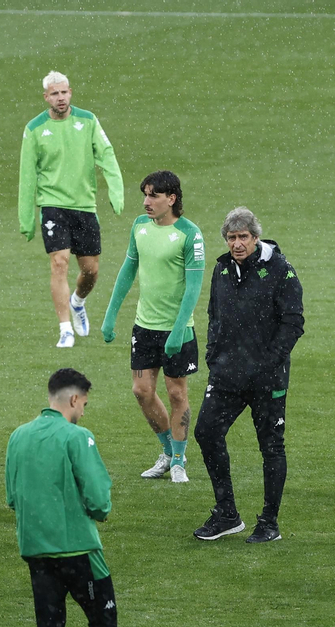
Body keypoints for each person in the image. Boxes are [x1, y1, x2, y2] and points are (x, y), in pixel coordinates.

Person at [5, 368, 117, 627]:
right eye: (83, 404)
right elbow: (99, 498)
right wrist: (97, 512)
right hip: (79, 551)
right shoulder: (77, 436)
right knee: (104, 622)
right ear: (73, 399)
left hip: (36, 552)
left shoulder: (18, 437)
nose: (83, 412)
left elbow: (11, 496)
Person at [192, 207, 303, 543]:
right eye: (231, 238)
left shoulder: (281, 271)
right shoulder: (222, 269)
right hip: (227, 375)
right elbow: (214, 313)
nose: (236, 244)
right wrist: (213, 354)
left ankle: (269, 522)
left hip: (267, 380)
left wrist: (269, 362)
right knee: (206, 433)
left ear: (256, 237)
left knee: (271, 446)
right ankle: (227, 513)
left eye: (242, 237)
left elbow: (293, 323)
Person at [101, 171, 206, 483]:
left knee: (176, 394)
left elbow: (194, 286)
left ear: (171, 199)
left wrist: (177, 330)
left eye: (153, 196)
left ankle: (178, 461)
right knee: (141, 390)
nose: (146, 202)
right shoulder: (139, 226)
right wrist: (110, 314)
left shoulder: (190, 234)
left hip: (177, 330)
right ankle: (168, 451)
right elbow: (128, 268)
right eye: (144, 195)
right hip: (144, 327)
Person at [18, 71, 124, 348]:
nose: (60, 98)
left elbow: (107, 154)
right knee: (59, 262)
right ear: (46, 97)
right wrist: (26, 217)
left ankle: (78, 302)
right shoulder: (35, 129)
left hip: (84, 206)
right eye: (54, 94)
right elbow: (27, 175)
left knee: (91, 271)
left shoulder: (87, 120)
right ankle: (65, 329)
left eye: (64, 92)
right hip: (53, 205)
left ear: (70, 92)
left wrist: (116, 189)